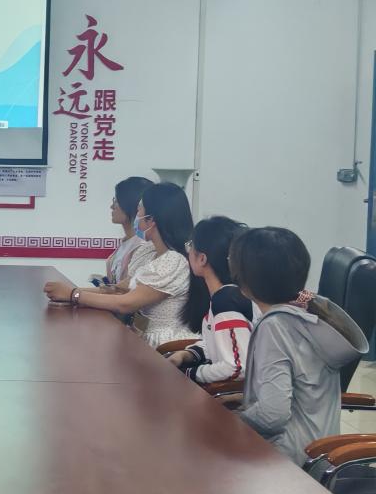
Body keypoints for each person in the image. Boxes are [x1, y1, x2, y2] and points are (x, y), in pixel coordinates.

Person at [230, 227, 367, 465]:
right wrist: (242, 400)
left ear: (245, 281)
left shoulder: (275, 327)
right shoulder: (308, 315)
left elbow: (273, 415)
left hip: (287, 460)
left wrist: (232, 420)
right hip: (319, 454)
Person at [43, 182, 198, 348]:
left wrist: (74, 294)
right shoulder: (148, 251)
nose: (136, 216)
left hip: (164, 346)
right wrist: (70, 292)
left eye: (139, 210)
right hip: (141, 337)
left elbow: (126, 303)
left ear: (151, 219)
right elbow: (119, 289)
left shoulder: (173, 260)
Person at [167, 217, 253, 383]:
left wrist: (191, 374)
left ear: (202, 259)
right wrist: (188, 354)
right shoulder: (225, 295)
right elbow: (221, 344)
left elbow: (236, 367)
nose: (188, 251)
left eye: (191, 246)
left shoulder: (226, 303)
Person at [102, 176, 153, 285]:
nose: (112, 206)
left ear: (130, 204)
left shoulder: (144, 247)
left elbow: (131, 290)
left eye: (116, 201)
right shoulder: (125, 243)